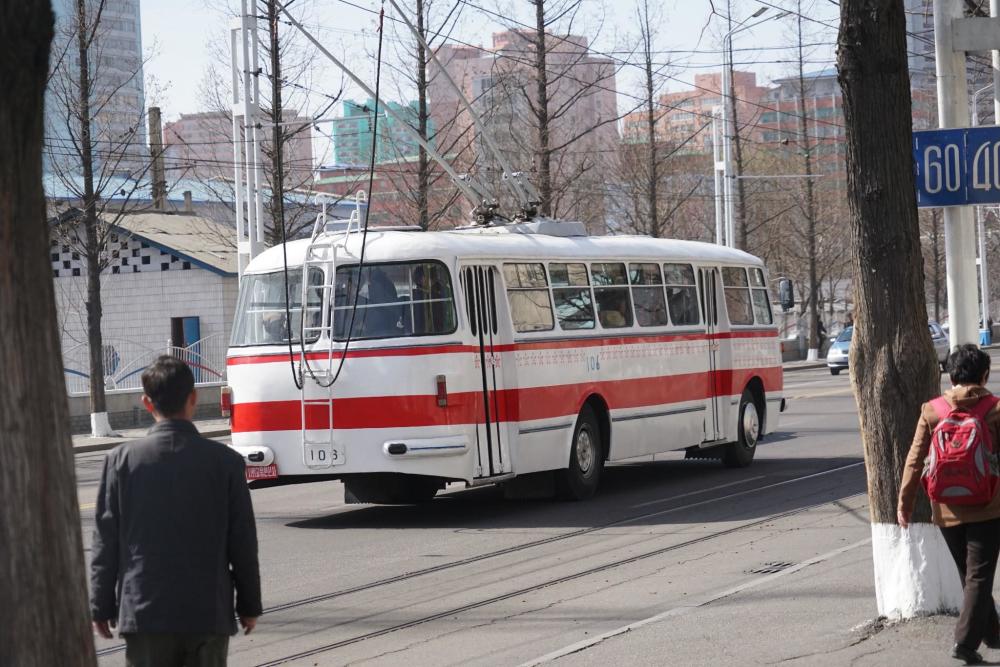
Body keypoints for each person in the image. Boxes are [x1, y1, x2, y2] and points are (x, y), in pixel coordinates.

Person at [90, 356, 262, 667]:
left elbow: (106, 543)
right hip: (207, 611)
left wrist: (101, 606)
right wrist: (249, 605)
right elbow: (243, 542)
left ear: (146, 402)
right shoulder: (225, 463)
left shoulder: (120, 462)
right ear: (193, 398)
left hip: (145, 612)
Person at [898, 345, 1000, 665]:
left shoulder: (932, 410)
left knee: (971, 575)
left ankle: (994, 633)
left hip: (945, 508)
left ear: (951, 374)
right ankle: (965, 643)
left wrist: (904, 503)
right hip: (988, 506)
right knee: (979, 577)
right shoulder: (995, 408)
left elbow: (915, 461)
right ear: (984, 375)